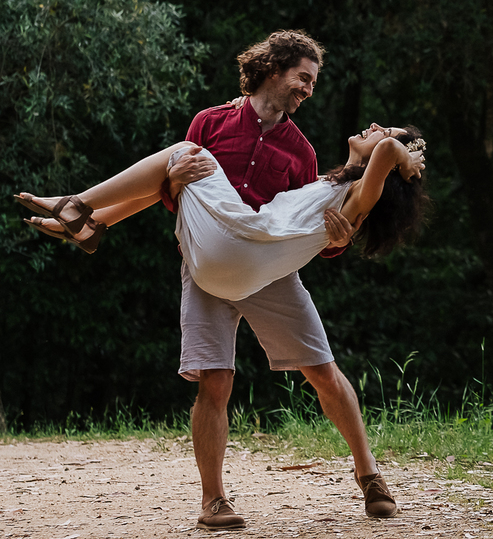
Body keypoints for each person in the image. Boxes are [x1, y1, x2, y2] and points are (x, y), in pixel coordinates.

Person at [24, 31, 420, 531]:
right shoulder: (211, 122)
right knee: (216, 380)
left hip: (267, 267)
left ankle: (83, 213)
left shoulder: (303, 153)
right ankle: (214, 501)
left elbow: (305, 228)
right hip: (211, 253)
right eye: (304, 77)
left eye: (314, 82)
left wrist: (377, 192)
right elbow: (172, 194)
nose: (308, 89)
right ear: (274, 67)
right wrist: (175, 179)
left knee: (322, 371)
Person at [17, 124, 427, 299]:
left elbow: (390, 152)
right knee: (177, 174)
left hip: (242, 246)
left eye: (384, 131)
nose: (375, 129)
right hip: (236, 272)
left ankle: (79, 206)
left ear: (390, 171)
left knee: (188, 154)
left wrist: (404, 159)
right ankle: (92, 225)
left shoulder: (359, 197)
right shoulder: (331, 187)